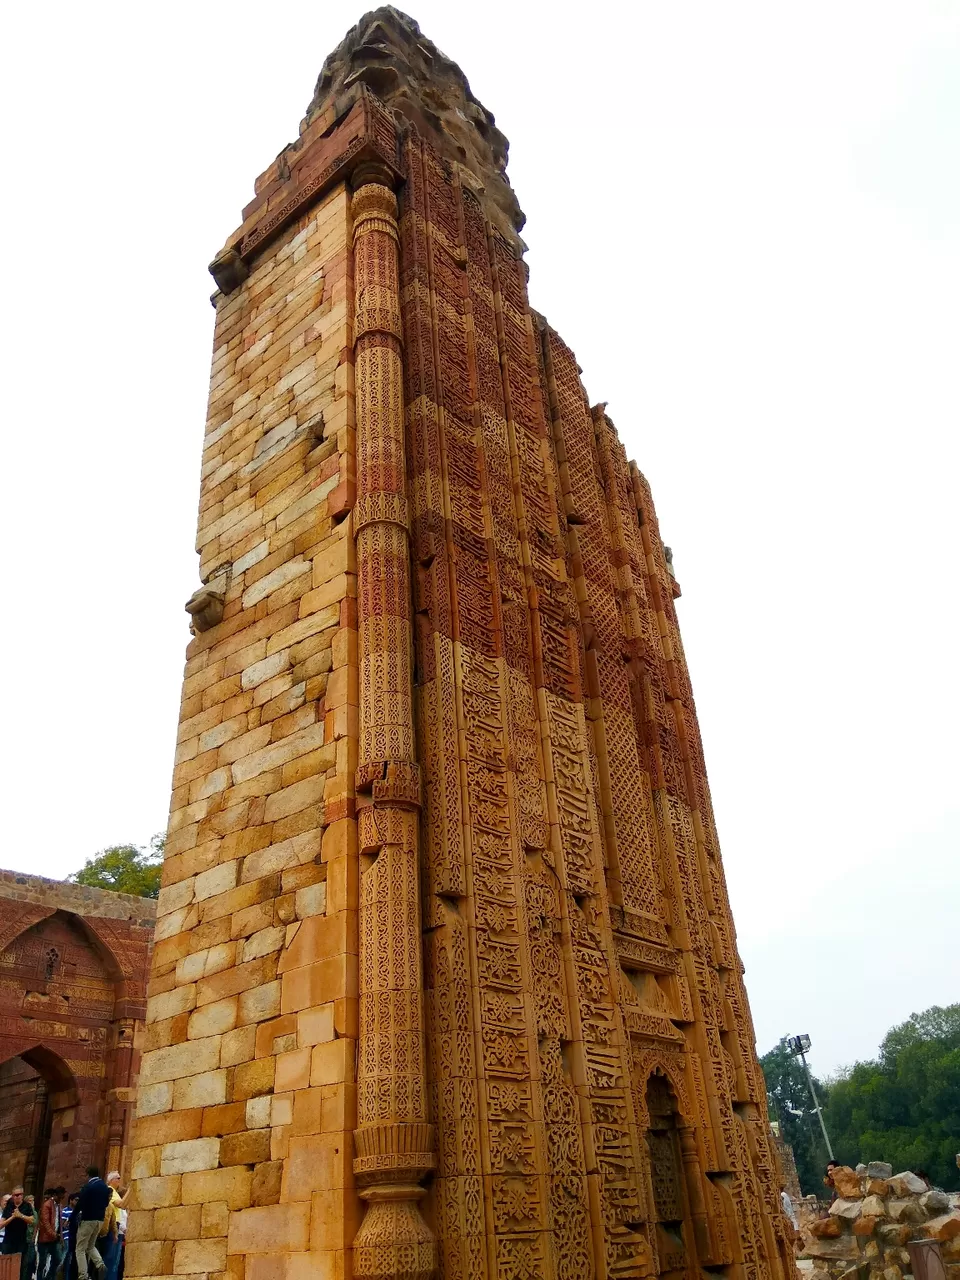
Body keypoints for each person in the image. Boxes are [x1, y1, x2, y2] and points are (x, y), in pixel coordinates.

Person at [74, 1168, 111, 1280]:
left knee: (80, 1248)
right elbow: (106, 1203)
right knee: (90, 1245)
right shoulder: (105, 1187)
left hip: (88, 1219)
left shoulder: (89, 1187)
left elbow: (80, 1203)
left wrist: (72, 1217)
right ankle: (100, 1264)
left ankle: (83, 1275)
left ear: (88, 1175)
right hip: (99, 1220)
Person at [1, 1187, 37, 1280]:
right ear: (13, 1196)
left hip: (21, 1242)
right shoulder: (9, 1206)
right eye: (16, 1195)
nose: (18, 1197)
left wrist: (20, 1215)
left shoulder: (27, 1206)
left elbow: (33, 1220)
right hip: (8, 1241)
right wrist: (12, 1217)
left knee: (20, 1267)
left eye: (20, 1194)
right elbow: (1, 1224)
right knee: (6, 1265)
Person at [38, 1190, 59, 1280]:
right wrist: (53, 1234)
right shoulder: (45, 1206)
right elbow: (45, 1223)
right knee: (42, 1262)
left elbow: (57, 1223)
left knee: (57, 1259)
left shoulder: (57, 1206)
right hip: (44, 1239)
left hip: (53, 1239)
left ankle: (48, 1277)